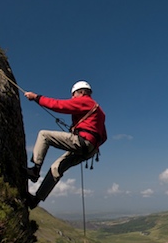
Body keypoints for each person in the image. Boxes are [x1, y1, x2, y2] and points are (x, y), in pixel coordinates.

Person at [23, 80, 107, 209]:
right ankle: (35, 200)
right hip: (91, 149)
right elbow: (104, 136)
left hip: (83, 141)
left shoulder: (86, 101)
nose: (73, 98)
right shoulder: (99, 111)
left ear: (82, 92)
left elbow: (59, 105)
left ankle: (35, 169)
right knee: (57, 168)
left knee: (44, 135)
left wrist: (36, 97)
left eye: (74, 95)